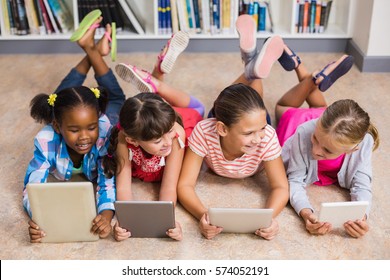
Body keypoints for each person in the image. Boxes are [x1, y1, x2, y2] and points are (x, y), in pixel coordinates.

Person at [177, 15, 289, 240]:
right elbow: (185, 185)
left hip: (250, 117)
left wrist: (268, 217)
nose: (258, 138)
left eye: (260, 130)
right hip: (221, 120)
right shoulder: (205, 131)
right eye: (249, 134)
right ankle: (251, 65)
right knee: (226, 104)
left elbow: (280, 187)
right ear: (222, 129)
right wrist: (202, 215)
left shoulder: (265, 135)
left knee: (254, 105)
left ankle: (251, 66)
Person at [24, 16, 123, 242]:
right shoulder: (46, 140)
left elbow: (107, 180)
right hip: (78, 113)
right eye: (74, 130)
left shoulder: (105, 133)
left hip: (111, 113)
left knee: (116, 98)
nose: (84, 137)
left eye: (90, 127)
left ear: (97, 119)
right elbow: (32, 185)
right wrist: (39, 217)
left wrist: (106, 214)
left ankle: (91, 50)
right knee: (59, 98)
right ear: (57, 126)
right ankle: (91, 49)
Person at [103, 31, 205, 241]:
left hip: (181, 119)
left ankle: (156, 82)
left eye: (166, 137)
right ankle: (155, 80)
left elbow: (169, 186)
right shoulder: (125, 140)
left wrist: (167, 220)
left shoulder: (174, 138)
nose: (166, 144)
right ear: (132, 140)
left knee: (200, 108)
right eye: (158, 141)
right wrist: (125, 222)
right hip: (157, 122)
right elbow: (123, 187)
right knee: (150, 111)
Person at [274, 44, 380, 238]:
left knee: (320, 107)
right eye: (315, 140)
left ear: (353, 149)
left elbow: (362, 185)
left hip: (326, 125)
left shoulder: (362, 142)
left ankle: (313, 76)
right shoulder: (306, 132)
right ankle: (308, 75)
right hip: (299, 123)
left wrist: (361, 216)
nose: (315, 151)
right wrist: (306, 213)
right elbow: (295, 181)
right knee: (282, 108)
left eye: (327, 151)